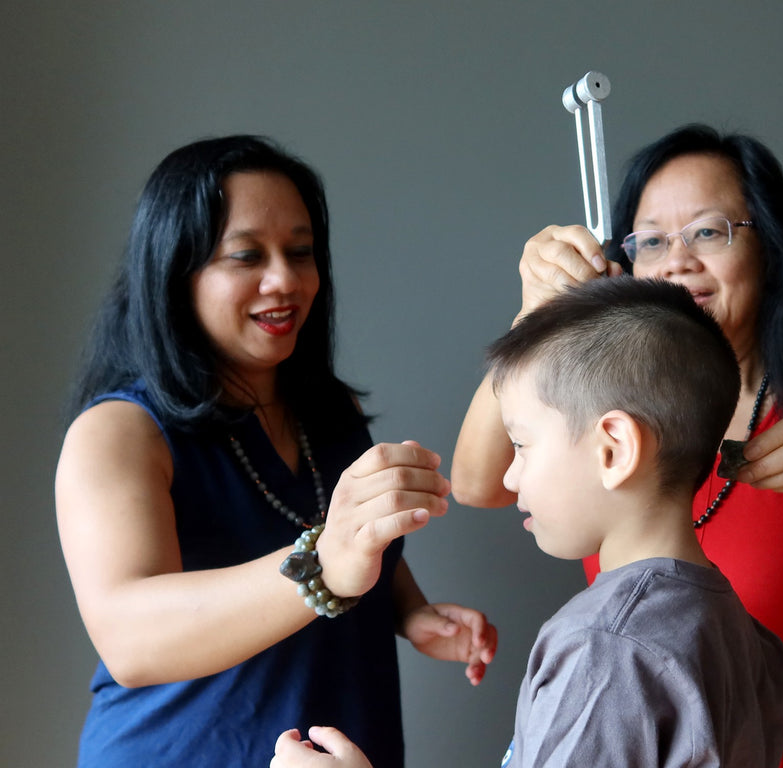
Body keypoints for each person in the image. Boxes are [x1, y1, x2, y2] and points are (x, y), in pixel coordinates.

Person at [451, 124, 783, 768]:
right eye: (650, 240)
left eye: (708, 231)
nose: (676, 261)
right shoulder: (606, 409)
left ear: (770, 248)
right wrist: (538, 317)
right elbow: (480, 482)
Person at [54, 135, 497, 768]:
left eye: (300, 252)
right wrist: (325, 563)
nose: (285, 280)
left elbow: (347, 537)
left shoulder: (330, 412)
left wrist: (410, 611)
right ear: (177, 272)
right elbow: (130, 639)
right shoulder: (118, 433)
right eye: (246, 256)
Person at [272, 277, 783, 768]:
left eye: (521, 445)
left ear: (613, 450)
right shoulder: (744, 632)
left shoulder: (606, 648)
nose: (511, 476)